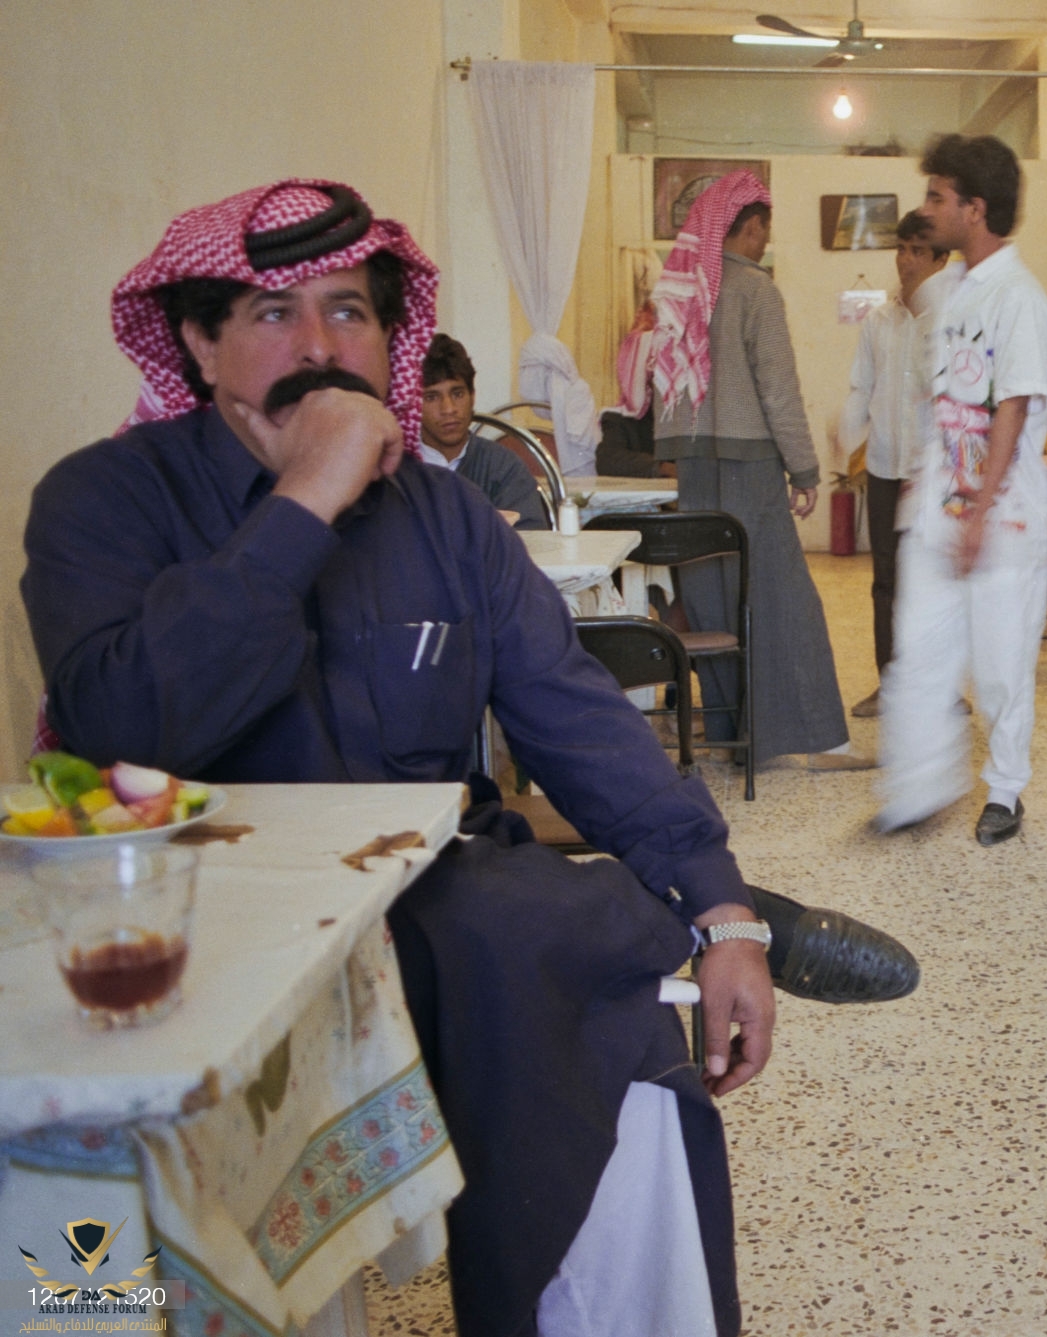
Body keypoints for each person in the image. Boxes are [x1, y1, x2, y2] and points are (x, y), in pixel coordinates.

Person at [21, 180, 913, 1337]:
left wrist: (719, 898)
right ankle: (655, 921)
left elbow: (572, 711)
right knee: (561, 926)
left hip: (429, 901)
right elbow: (126, 726)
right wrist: (306, 497)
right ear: (196, 342)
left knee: (607, 1001)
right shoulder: (102, 500)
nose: (319, 345)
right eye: (274, 314)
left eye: (349, 311)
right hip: (209, 924)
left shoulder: (440, 519)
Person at [616, 171, 864, 769]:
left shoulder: (680, 290)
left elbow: (658, 386)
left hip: (695, 470)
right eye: (763, 232)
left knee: (713, 602)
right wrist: (805, 469)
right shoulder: (756, 289)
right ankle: (821, 741)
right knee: (784, 602)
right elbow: (779, 391)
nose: (764, 243)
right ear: (750, 227)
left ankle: (737, 737)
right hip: (751, 470)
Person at [875, 134, 1047, 846]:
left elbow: (1011, 406)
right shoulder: (951, 291)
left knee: (1001, 665)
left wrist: (979, 512)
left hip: (1002, 515)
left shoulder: (1019, 296)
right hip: (937, 510)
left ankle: (1005, 790)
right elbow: (943, 397)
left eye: (937, 196)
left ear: (975, 209)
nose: (926, 208)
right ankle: (915, 789)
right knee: (919, 651)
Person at [838, 211, 961, 718]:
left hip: (934, 474)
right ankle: (890, 684)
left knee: (935, 581)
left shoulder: (953, 320)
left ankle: (941, 690)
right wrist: (847, 434)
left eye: (918, 252)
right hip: (886, 467)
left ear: (940, 260)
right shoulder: (878, 321)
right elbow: (861, 386)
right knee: (886, 581)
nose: (906, 261)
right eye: (902, 249)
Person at [415, 332, 549, 529]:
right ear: (413, 405)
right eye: (432, 397)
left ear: (472, 396)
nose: (448, 409)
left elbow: (530, 537)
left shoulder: (502, 467)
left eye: (457, 394)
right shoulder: (395, 469)